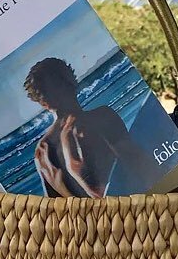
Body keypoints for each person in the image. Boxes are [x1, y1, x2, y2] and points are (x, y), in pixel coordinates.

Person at [24, 57, 129, 197]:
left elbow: (58, 207)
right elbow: (135, 165)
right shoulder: (102, 116)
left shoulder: (43, 151)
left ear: (43, 103)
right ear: (72, 80)